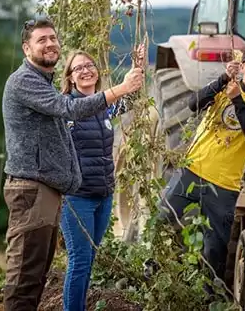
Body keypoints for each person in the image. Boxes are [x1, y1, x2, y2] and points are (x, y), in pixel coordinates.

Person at [2, 17, 144, 311]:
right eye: (42, 40)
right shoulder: (32, 84)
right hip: (39, 189)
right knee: (27, 273)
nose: (50, 43)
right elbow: (70, 109)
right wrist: (119, 89)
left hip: (63, 190)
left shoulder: (53, 88)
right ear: (26, 48)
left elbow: (125, 102)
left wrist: (136, 74)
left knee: (37, 273)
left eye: (53, 38)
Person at [158, 46, 245, 280]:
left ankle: (208, 298)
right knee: (160, 223)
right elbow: (193, 104)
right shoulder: (224, 86)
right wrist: (222, 79)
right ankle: (149, 278)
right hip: (191, 171)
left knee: (214, 250)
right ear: (242, 66)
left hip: (224, 185)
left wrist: (238, 100)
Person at [59, 45, 145, 311]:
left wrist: (138, 67)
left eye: (89, 65)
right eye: (78, 68)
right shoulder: (67, 108)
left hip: (103, 195)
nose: (85, 71)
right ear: (70, 77)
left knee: (90, 259)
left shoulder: (103, 107)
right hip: (77, 198)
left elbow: (129, 99)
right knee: (79, 261)